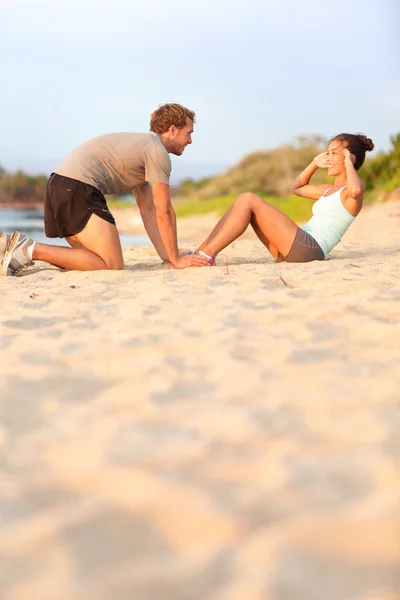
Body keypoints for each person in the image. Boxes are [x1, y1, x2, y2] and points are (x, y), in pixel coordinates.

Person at [1, 103, 208, 276]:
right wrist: (177, 260)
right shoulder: (156, 151)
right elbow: (164, 211)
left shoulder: (142, 147)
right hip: (77, 188)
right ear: (172, 129)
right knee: (112, 265)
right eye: (188, 133)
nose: (190, 141)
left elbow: (148, 209)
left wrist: (167, 255)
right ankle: (27, 248)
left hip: (58, 186)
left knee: (95, 261)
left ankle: (17, 252)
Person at [195, 133, 374, 264]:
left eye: (335, 153)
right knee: (242, 201)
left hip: (310, 250)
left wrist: (349, 163)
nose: (328, 157)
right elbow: (296, 188)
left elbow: (356, 190)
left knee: (249, 199)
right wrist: (313, 164)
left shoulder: (349, 193)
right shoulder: (328, 190)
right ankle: (202, 251)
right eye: (328, 152)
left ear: (350, 157)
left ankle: (206, 256)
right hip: (293, 248)